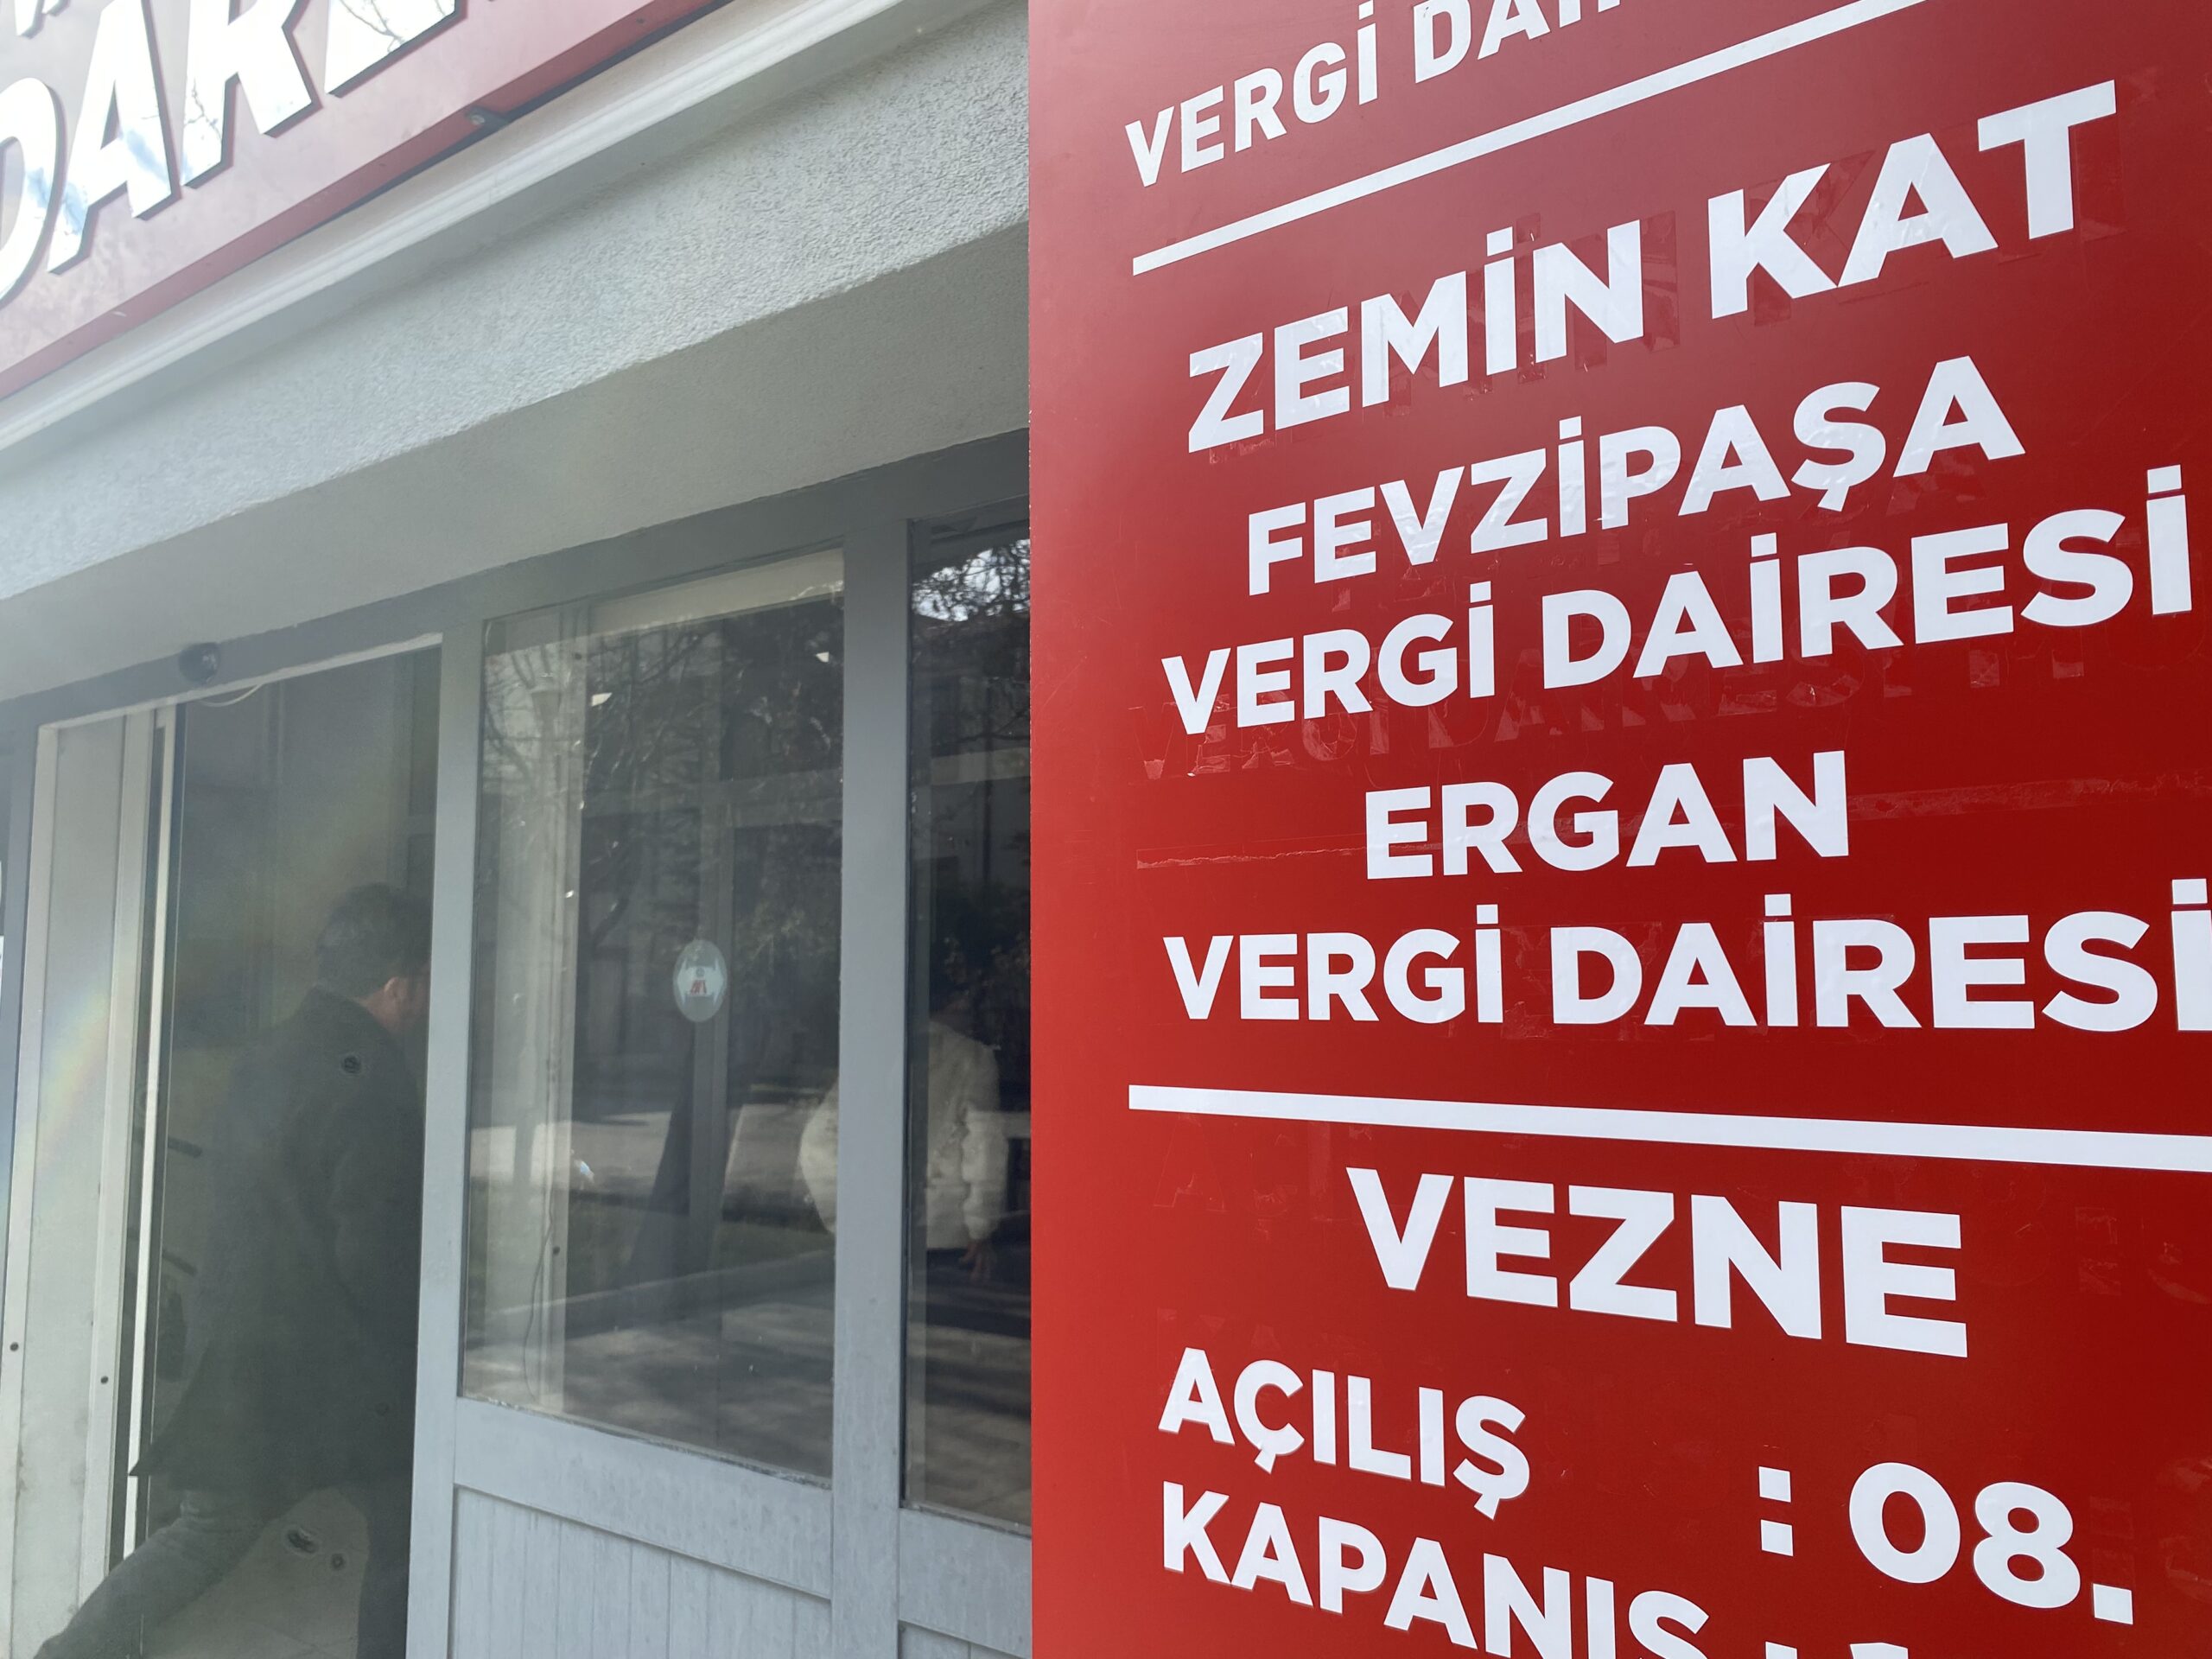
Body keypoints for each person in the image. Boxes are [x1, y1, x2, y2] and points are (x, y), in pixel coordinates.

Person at [39, 885, 431, 1659]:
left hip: (237, 1349)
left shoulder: (269, 1052)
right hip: (320, 1363)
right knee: (415, 1521)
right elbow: (374, 1258)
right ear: (399, 987)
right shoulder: (376, 1079)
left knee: (208, 1531)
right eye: (424, 984)